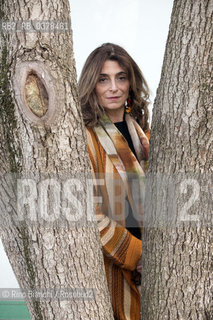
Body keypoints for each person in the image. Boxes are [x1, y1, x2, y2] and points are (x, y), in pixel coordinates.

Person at [78, 43, 150, 320]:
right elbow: (87, 211)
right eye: (103, 79)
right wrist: (137, 254)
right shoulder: (86, 137)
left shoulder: (141, 132)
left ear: (131, 82)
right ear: (91, 84)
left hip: (155, 265)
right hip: (117, 262)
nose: (114, 87)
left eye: (121, 77)